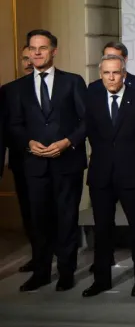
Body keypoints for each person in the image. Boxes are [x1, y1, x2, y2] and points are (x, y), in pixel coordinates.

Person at [9, 30, 87, 293]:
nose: (37, 53)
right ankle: (41, 272)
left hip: (67, 162)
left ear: (54, 51)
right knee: (39, 221)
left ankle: (66, 273)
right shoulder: (17, 88)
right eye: (33, 48)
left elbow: (86, 121)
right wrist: (29, 143)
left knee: (67, 219)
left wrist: (67, 142)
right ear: (28, 52)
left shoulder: (73, 82)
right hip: (34, 165)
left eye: (42, 48)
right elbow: (15, 125)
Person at [82, 54, 135, 298]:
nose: (111, 77)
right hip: (101, 175)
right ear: (101, 75)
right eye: (106, 73)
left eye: (116, 72)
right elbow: (88, 133)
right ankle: (101, 280)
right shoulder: (91, 100)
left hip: (133, 175)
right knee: (102, 231)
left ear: (124, 74)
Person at [1, 45, 35, 273]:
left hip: (54, 159)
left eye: (33, 56)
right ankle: (38, 254)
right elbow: (4, 128)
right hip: (22, 161)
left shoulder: (60, 85)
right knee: (28, 210)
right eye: (24, 58)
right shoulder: (7, 91)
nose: (29, 62)